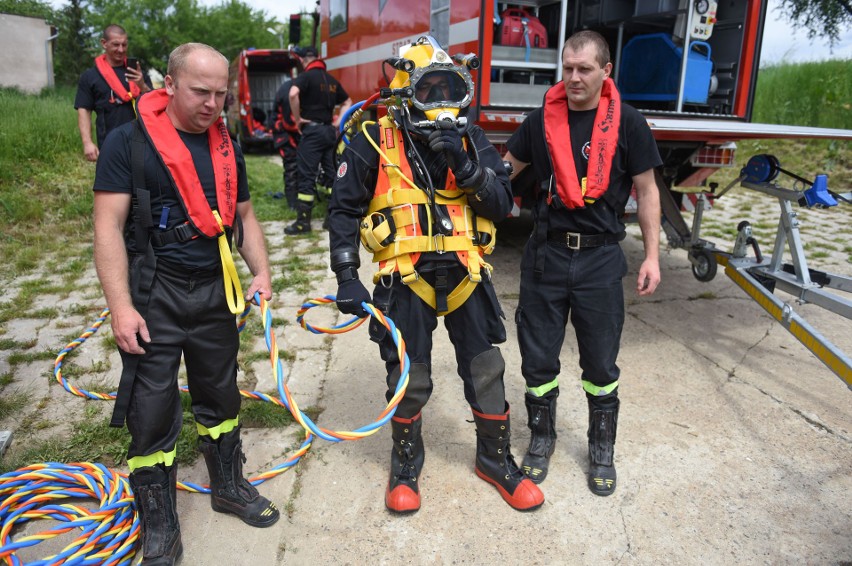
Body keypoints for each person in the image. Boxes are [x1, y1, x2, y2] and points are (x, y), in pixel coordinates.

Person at [327, 36, 544, 514]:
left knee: (487, 369)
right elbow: (342, 210)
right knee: (411, 375)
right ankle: (406, 463)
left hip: (467, 270)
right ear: (406, 93)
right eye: (430, 92)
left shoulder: (472, 139)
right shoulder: (371, 138)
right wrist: (345, 272)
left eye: (452, 91)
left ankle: (494, 458)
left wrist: (468, 170)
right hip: (406, 276)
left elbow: (504, 204)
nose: (442, 104)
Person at [93, 43, 279, 565]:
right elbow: (106, 228)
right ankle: (157, 512)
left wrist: (260, 271)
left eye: (221, 93)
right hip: (155, 288)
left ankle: (227, 484)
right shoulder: (128, 143)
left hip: (216, 287)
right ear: (170, 84)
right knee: (151, 406)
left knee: (220, 391)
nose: (212, 104)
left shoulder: (226, 144)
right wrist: (120, 307)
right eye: (201, 91)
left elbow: (243, 216)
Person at [503, 30, 662, 496]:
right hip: (545, 256)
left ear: (605, 72)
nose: (573, 77)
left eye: (584, 69)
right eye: (568, 68)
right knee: (537, 361)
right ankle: (541, 440)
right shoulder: (539, 121)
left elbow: (648, 191)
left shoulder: (629, 123)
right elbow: (502, 172)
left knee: (600, 367)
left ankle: (600, 449)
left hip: (600, 259)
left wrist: (651, 255)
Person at [284, 46, 352, 234]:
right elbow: (348, 101)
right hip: (330, 133)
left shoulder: (305, 77)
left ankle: (303, 223)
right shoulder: (331, 80)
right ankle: (331, 220)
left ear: (305, 60)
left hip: (312, 132)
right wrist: (340, 120)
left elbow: (292, 94)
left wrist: (297, 119)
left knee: (306, 175)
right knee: (331, 175)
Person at [75, 24, 152, 162]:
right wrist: (87, 143)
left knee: (141, 183)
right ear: (104, 43)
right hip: (109, 144)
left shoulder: (137, 72)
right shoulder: (90, 76)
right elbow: (84, 110)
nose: (121, 49)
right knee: (113, 182)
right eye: (116, 44)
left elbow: (154, 103)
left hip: (142, 142)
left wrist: (141, 84)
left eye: (124, 44)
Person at [272, 76, 301, 209]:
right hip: (284, 134)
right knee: (291, 167)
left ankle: (299, 199)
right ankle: (292, 204)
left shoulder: (293, 87)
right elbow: (290, 122)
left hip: (291, 133)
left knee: (300, 168)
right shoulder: (288, 90)